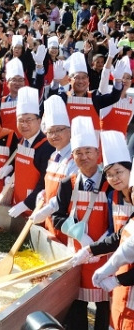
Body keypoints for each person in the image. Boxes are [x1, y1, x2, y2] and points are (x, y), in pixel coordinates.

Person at [68, 130, 133, 330]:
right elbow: (119, 237)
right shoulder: (117, 200)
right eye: (110, 174)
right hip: (123, 279)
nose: (114, 178)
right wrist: (89, 250)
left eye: (119, 172)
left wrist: (117, 278)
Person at [51, 116, 110, 330]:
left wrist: (99, 246)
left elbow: (119, 223)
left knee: (105, 306)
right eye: (78, 152)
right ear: (73, 155)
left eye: (88, 151)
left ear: (97, 153)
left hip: (107, 257)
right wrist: (79, 235)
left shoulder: (110, 182)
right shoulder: (68, 183)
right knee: (76, 305)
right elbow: (57, 217)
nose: (84, 157)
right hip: (76, 255)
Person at [29, 96, 77, 245]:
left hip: (66, 222)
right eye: (50, 132)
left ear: (69, 131)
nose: (55, 135)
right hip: (49, 222)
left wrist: (47, 209)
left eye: (59, 130)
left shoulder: (75, 159)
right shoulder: (52, 156)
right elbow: (50, 186)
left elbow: (69, 193)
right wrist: (43, 194)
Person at [7, 86, 54, 218]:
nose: (24, 124)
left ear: (39, 121)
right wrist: (10, 172)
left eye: (29, 120)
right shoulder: (21, 141)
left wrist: (26, 204)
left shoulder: (47, 147)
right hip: (17, 202)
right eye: (21, 120)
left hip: (35, 210)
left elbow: (45, 182)